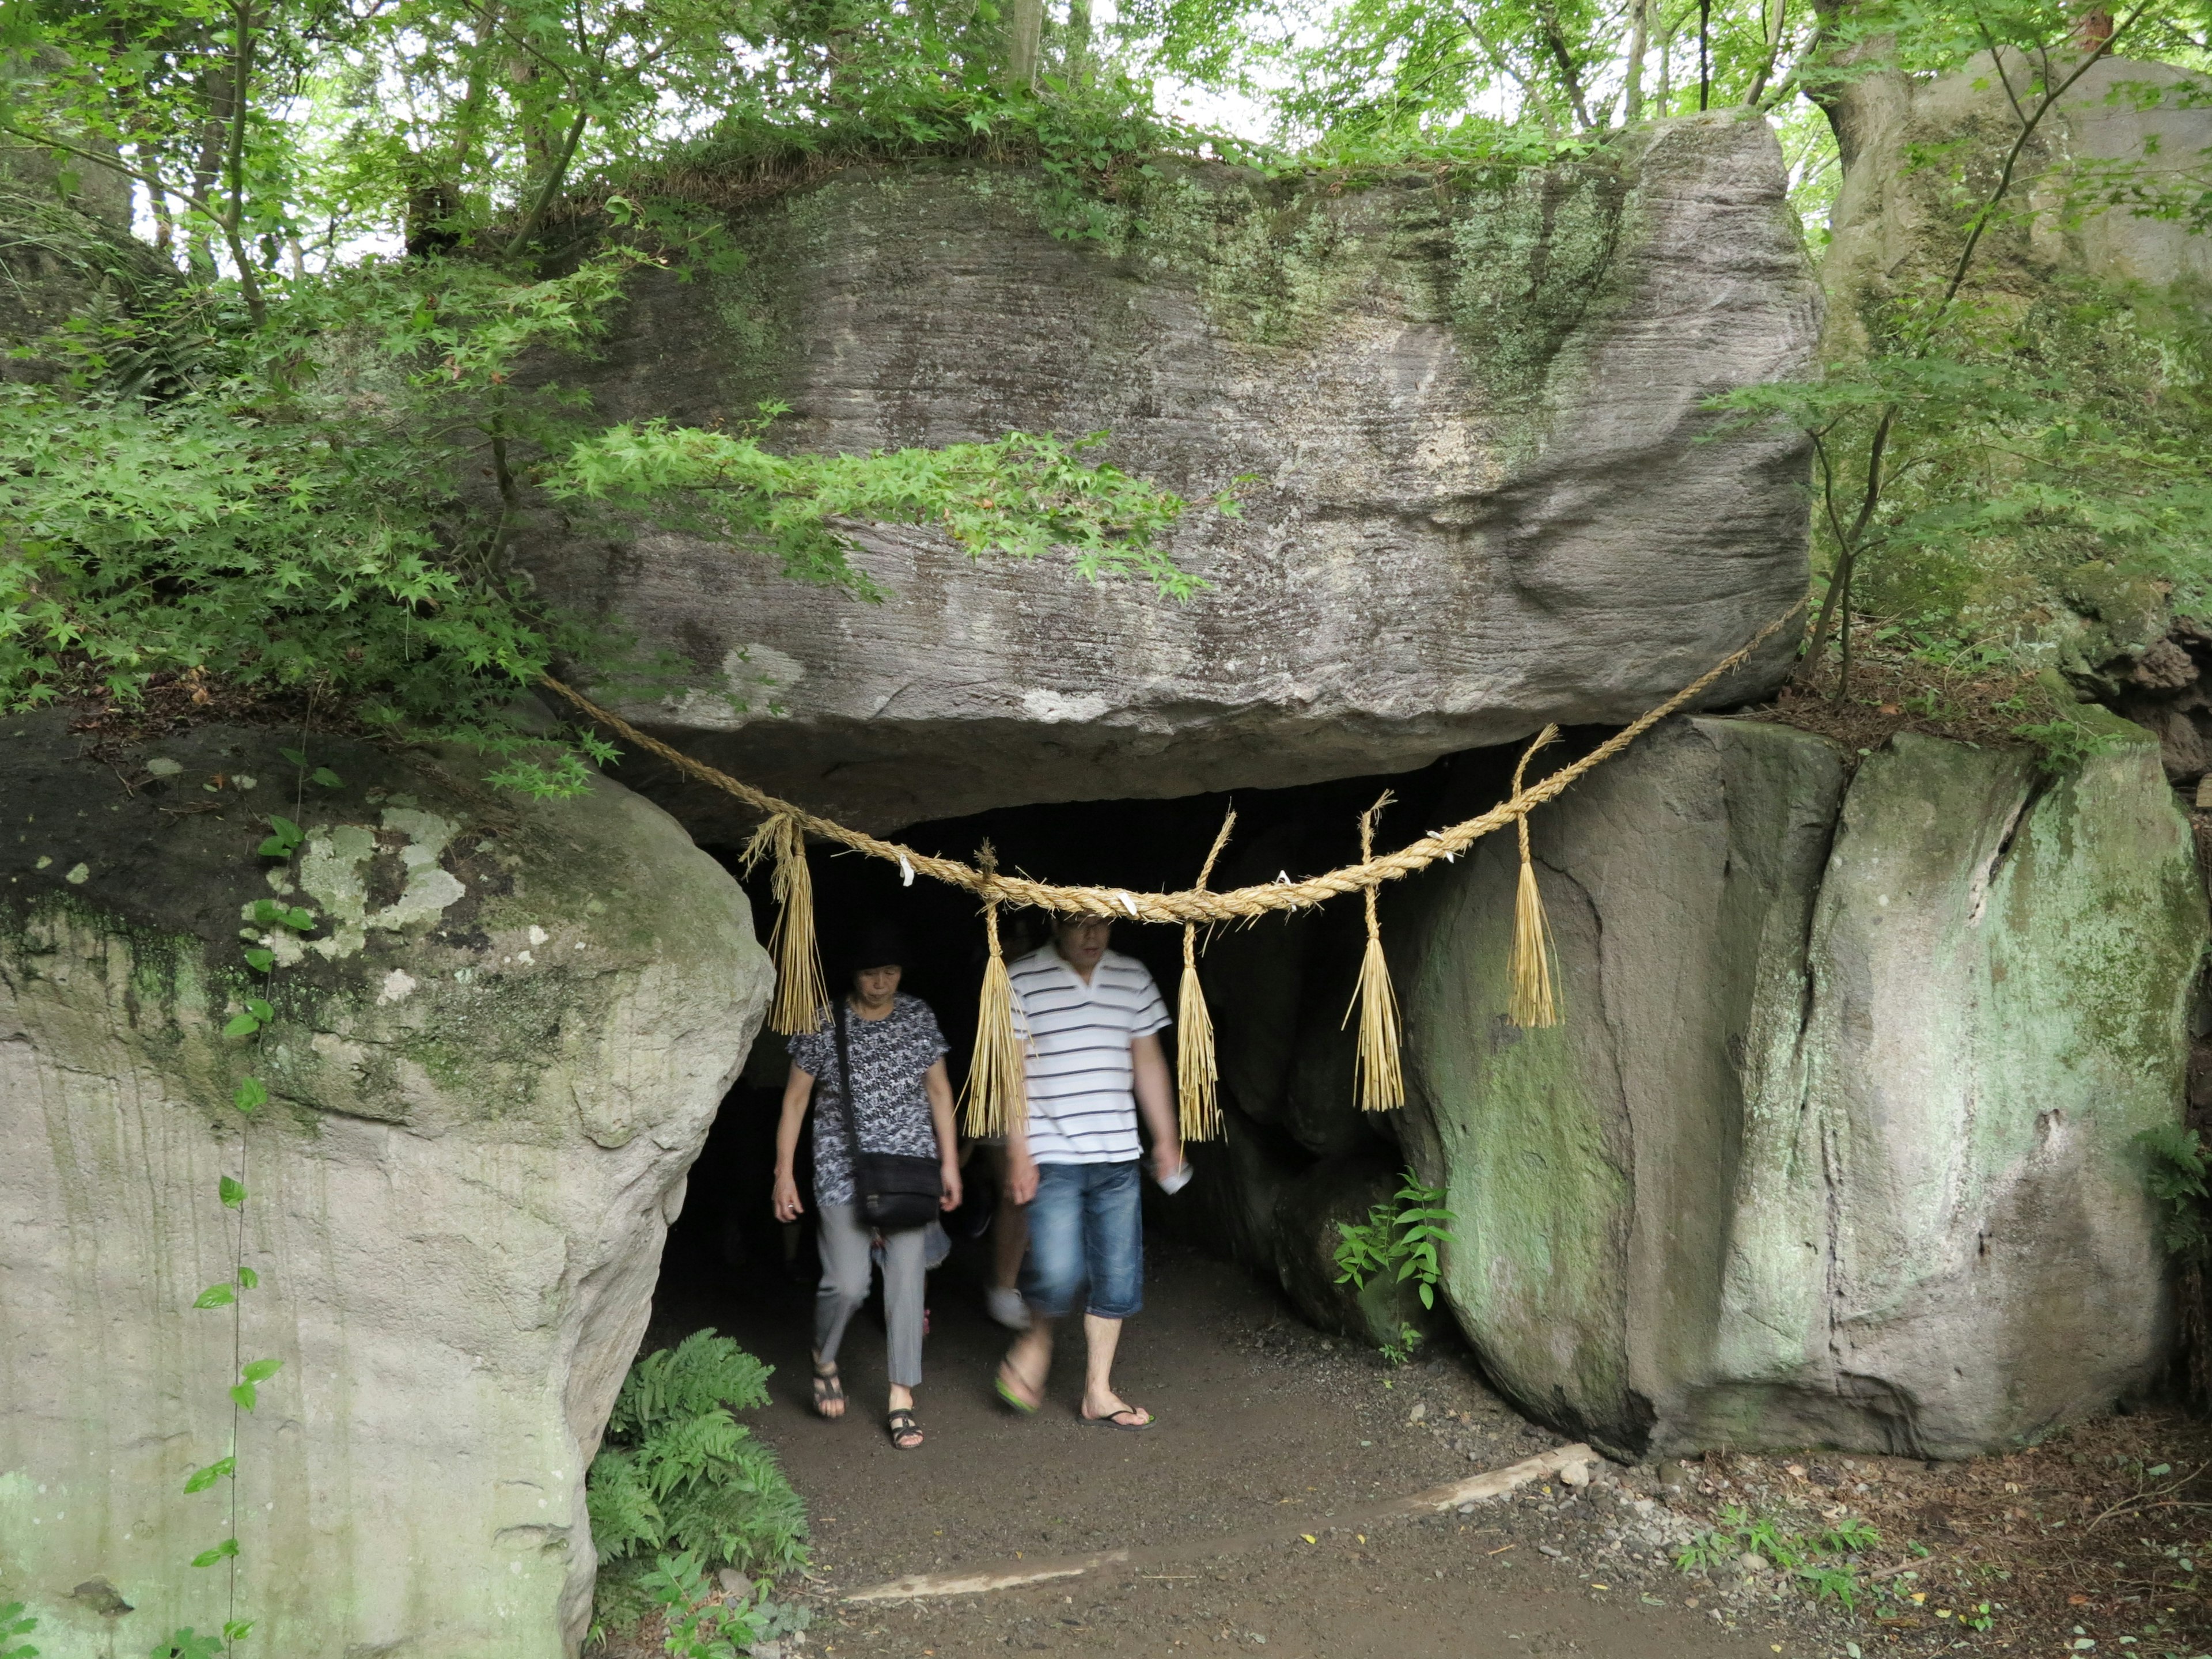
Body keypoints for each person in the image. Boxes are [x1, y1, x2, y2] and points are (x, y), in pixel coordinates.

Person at [773, 927, 962, 1450]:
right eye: (870, 973)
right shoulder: (822, 1021)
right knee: (849, 1283)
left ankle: (902, 1396)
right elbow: (794, 1102)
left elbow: (940, 1091)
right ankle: (824, 1354)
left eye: (891, 973)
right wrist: (783, 1173)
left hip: (908, 1169)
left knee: (907, 1282)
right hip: (842, 1167)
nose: (881, 983)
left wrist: (950, 1165)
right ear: (851, 975)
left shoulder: (918, 1016)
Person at [994, 915, 1179, 1429]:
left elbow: (1148, 1062)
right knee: (1056, 1269)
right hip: (1052, 1151)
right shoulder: (1022, 977)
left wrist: (1164, 1137)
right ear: (1055, 922)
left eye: (1100, 925)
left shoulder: (1133, 977)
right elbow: (1012, 1073)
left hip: (1117, 1153)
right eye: (1079, 925)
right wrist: (1018, 1151)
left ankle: (1098, 1390)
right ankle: (1036, 1340)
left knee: (1118, 1277)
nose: (1091, 936)